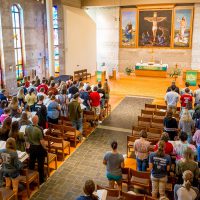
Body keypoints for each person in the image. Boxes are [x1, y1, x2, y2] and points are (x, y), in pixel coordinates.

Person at [25, 115, 47, 184]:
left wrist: (27, 145)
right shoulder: (39, 129)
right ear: (37, 120)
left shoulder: (27, 127)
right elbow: (42, 141)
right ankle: (41, 179)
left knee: (31, 164)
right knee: (40, 164)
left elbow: (26, 138)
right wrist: (45, 148)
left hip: (31, 147)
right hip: (39, 148)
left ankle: (31, 179)